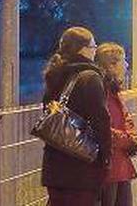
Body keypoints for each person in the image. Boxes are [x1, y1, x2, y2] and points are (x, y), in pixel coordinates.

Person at [40, 27, 112, 206]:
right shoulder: (90, 77)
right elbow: (101, 121)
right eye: (94, 46)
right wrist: (105, 159)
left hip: (54, 164)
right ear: (83, 49)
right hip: (81, 167)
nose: (95, 51)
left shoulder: (54, 75)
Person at [95, 43, 137, 206]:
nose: (127, 65)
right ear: (111, 65)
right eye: (124, 60)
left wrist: (133, 135)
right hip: (108, 166)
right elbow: (99, 126)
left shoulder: (112, 90)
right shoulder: (100, 90)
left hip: (119, 165)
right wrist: (128, 139)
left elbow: (124, 117)